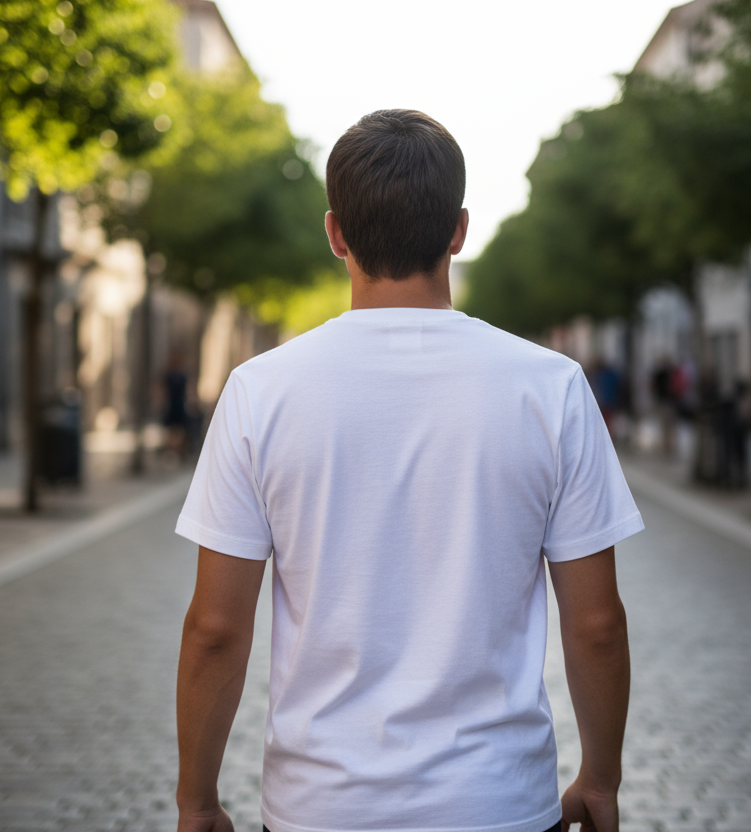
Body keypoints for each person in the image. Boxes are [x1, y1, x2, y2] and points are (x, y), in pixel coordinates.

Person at [174, 110, 644, 832]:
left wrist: (197, 801)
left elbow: (215, 629)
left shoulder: (259, 391)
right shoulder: (550, 386)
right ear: (459, 230)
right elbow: (597, 624)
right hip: (499, 803)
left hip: (319, 806)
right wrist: (602, 779)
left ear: (335, 234)